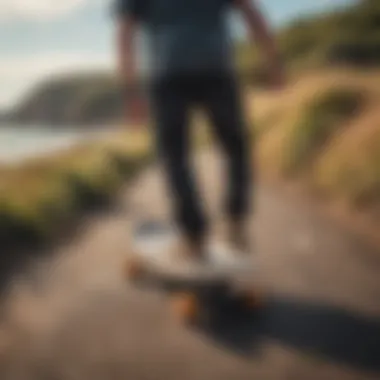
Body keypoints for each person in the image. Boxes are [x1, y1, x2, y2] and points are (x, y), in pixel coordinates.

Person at [115, 0, 284, 260]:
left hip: (168, 75)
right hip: (216, 69)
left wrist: (131, 93)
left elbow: (126, 34)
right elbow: (251, 12)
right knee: (235, 146)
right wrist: (272, 61)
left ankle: (194, 236)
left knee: (175, 156)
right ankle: (236, 220)